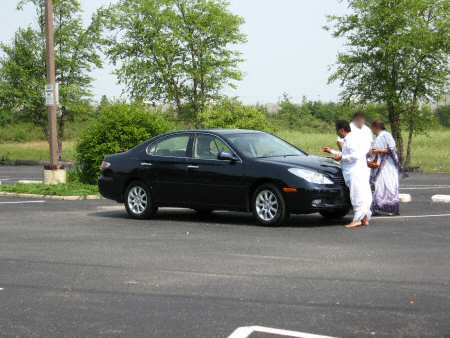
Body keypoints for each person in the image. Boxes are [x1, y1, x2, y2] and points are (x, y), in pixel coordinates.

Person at [323, 120, 372, 229]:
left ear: (341, 130)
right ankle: (364, 218)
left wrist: (341, 158)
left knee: (357, 195)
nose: (336, 133)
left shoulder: (351, 140)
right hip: (355, 171)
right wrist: (332, 151)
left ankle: (357, 219)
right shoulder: (350, 139)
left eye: (337, 130)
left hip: (355, 172)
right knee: (362, 194)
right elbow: (347, 154)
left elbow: (355, 156)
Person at [369, 121, 401, 216]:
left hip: (388, 165)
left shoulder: (386, 135)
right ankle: (379, 207)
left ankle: (391, 208)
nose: (372, 130)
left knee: (389, 185)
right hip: (380, 165)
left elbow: (392, 149)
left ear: (376, 127)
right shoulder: (378, 137)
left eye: (372, 128)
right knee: (379, 186)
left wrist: (379, 150)